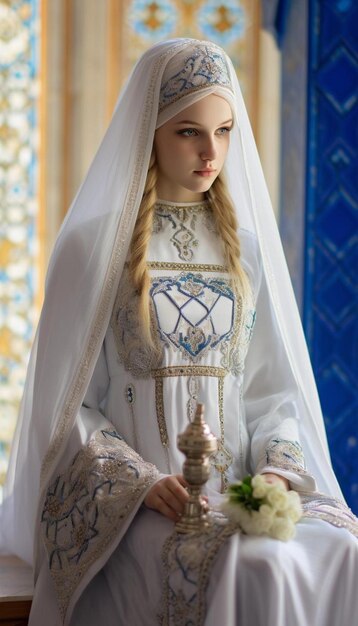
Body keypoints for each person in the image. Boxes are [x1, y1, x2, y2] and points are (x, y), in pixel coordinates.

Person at [0, 38, 357, 626]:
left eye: (224, 131)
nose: (211, 151)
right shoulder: (92, 248)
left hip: (239, 496)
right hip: (135, 514)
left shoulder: (247, 256)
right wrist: (142, 485)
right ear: (151, 130)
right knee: (255, 569)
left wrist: (272, 472)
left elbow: (270, 392)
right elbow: (67, 409)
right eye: (189, 131)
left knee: (343, 551)